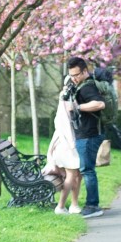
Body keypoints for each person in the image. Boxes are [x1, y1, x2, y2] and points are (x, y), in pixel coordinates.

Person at [62, 56, 106, 218]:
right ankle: (92, 204)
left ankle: (93, 205)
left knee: (87, 171)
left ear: (85, 71)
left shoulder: (88, 87)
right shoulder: (80, 85)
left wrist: (77, 106)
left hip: (89, 134)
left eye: (77, 75)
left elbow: (100, 104)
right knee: (86, 170)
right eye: (71, 75)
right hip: (86, 134)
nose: (74, 78)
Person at [43, 96, 82, 214]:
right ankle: (61, 207)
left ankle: (73, 205)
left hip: (68, 145)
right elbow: (65, 128)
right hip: (67, 147)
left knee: (77, 175)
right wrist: (71, 144)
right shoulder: (66, 102)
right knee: (71, 175)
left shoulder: (67, 101)